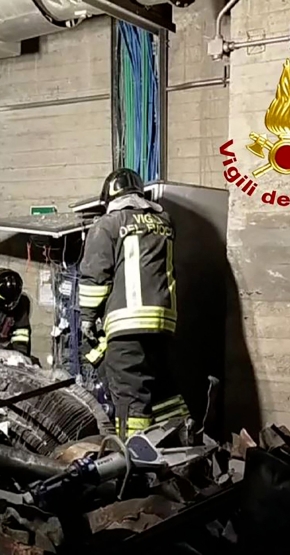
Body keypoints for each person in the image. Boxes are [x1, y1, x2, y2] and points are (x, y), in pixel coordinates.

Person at [78, 168, 189, 439]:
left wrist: (87, 317)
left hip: (127, 327)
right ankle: (182, 445)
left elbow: (96, 276)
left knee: (130, 397)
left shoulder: (107, 224)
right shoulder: (165, 221)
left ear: (109, 198)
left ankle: (136, 460)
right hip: (163, 325)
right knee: (164, 391)